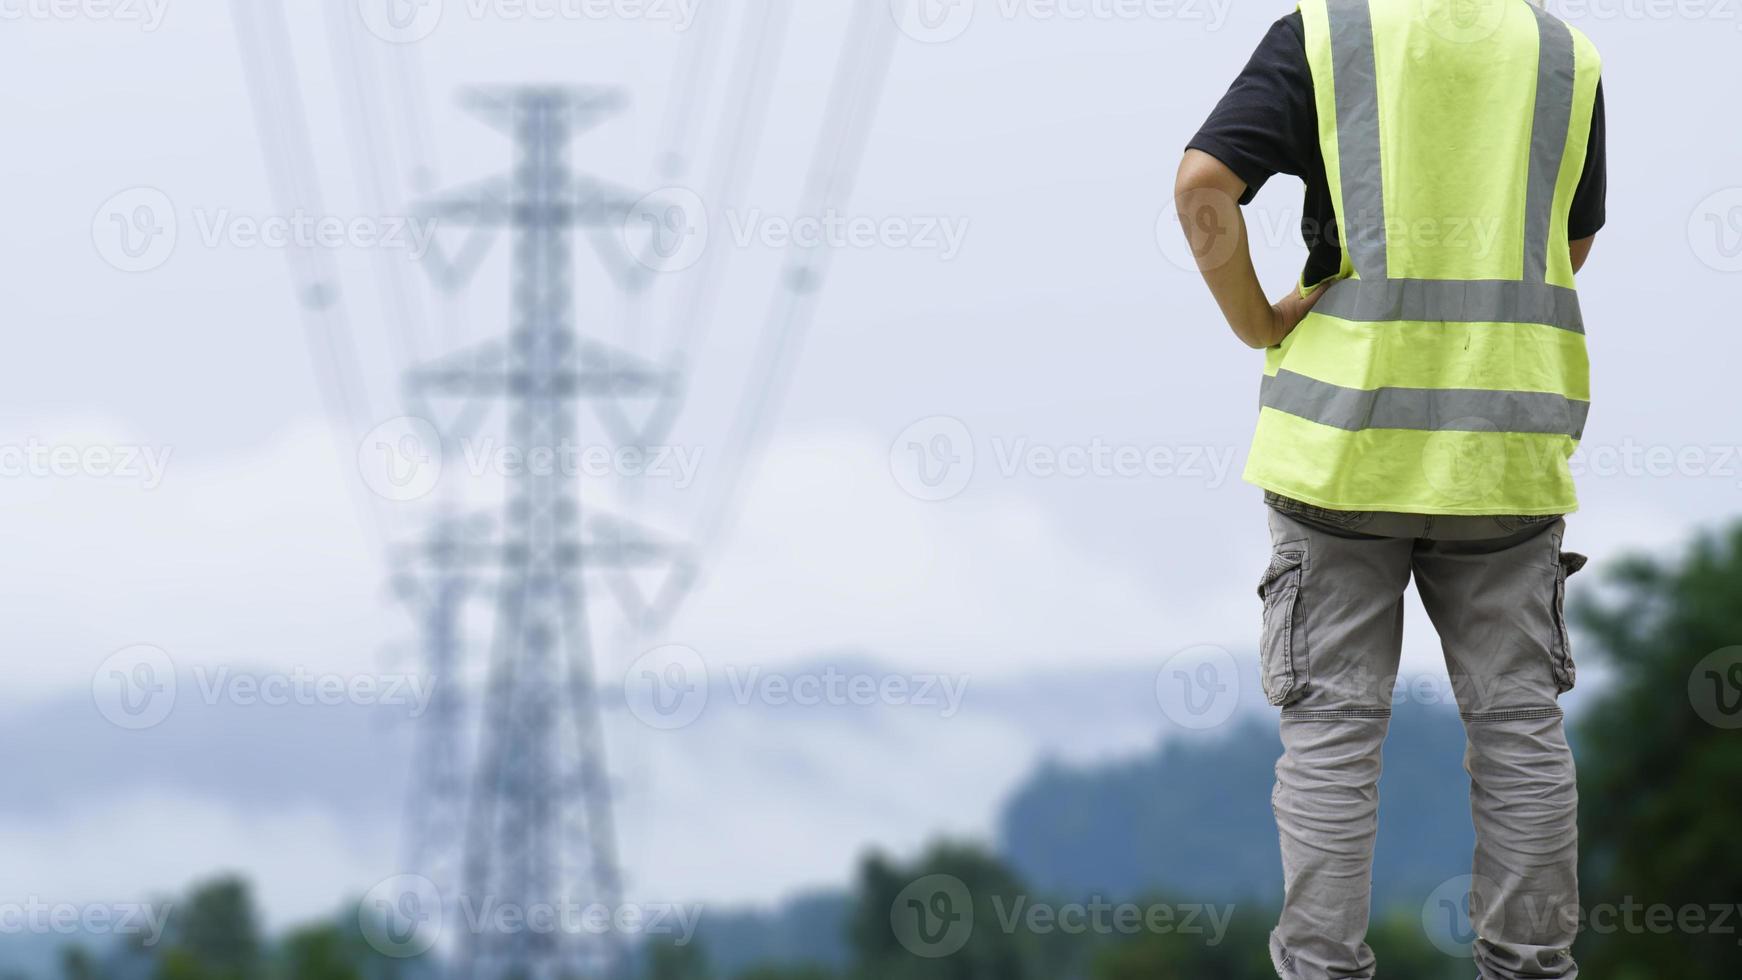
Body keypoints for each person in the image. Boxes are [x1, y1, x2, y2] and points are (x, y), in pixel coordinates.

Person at [1173, 0, 1606, 977]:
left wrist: (1258, 319)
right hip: (1502, 449)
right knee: (1517, 728)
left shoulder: (1323, 33)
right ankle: (1530, 964)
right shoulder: (1561, 53)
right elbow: (1565, 244)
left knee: (1332, 733)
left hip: (1341, 449)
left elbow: (1204, 185)